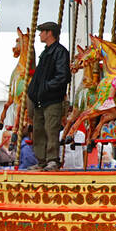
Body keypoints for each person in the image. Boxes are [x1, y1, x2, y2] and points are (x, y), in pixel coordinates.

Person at [26, 21, 71, 171]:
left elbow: (63, 76)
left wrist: (45, 87)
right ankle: (42, 160)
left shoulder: (60, 52)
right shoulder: (46, 52)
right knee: (38, 129)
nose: (39, 34)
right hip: (41, 98)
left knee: (51, 129)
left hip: (52, 98)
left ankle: (52, 160)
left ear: (49, 33)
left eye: (42, 31)